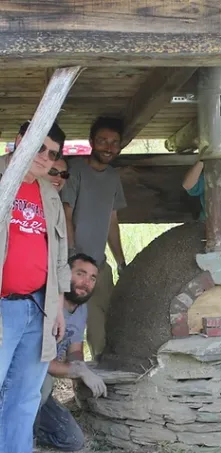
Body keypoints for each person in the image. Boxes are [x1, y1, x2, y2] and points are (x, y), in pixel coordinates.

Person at [0, 120, 70, 453]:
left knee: (26, 394)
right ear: (18, 141)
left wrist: (56, 306)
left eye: (53, 153)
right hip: (2, 306)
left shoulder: (49, 192)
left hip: (37, 307)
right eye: (39, 148)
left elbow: (59, 256)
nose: (45, 158)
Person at [61, 116, 127, 361]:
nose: (108, 147)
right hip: (72, 265)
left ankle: (99, 376)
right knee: (63, 326)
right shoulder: (75, 170)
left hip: (99, 267)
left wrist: (120, 261)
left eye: (114, 142)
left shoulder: (113, 177)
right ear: (91, 142)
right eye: (102, 141)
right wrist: (71, 256)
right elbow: (66, 214)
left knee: (102, 327)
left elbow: (112, 220)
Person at [35, 253, 106, 453]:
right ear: (65, 275)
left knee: (72, 440)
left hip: (40, 392)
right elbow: (40, 362)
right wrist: (77, 371)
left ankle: (25, 429)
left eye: (92, 278)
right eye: (80, 274)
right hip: (23, 383)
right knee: (44, 382)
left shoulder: (81, 309)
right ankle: (19, 444)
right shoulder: (46, 305)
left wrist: (80, 366)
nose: (86, 282)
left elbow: (75, 349)